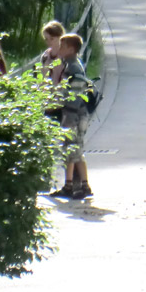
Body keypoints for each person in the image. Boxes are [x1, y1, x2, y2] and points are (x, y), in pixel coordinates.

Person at [49, 34, 93, 200]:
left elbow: (74, 95)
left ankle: (71, 186)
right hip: (78, 114)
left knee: (71, 149)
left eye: (62, 46)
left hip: (74, 115)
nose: (59, 49)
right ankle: (83, 185)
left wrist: (63, 108)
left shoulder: (73, 68)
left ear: (71, 49)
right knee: (77, 150)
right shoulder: (72, 65)